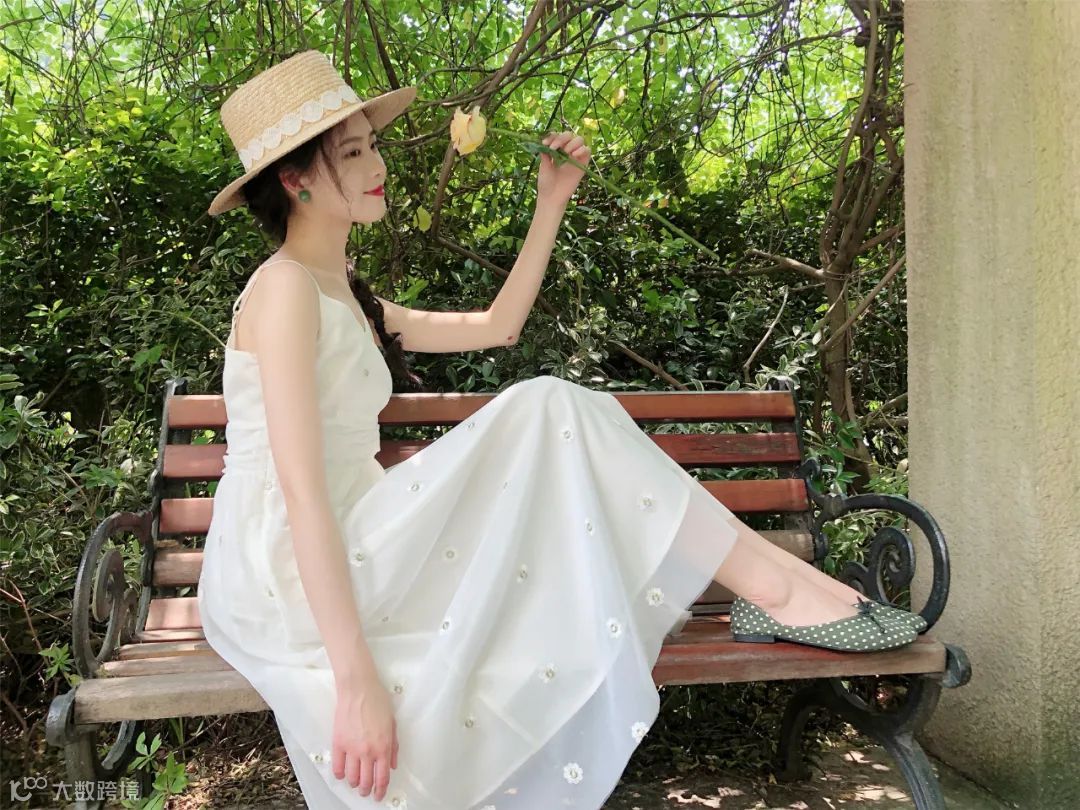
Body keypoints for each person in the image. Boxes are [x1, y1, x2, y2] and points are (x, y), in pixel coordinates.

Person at [197, 49, 923, 810]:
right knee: (548, 405)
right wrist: (354, 684)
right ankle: (777, 589)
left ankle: (782, 587)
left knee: (556, 405)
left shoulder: (343, 292)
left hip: (357, 530)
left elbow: (498, 326)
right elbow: (301, 495)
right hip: (285, 566)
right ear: (296, 180)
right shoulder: (284, 290)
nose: (378, 164)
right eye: (352, 153)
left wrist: (551, 201)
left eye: (372, 144)